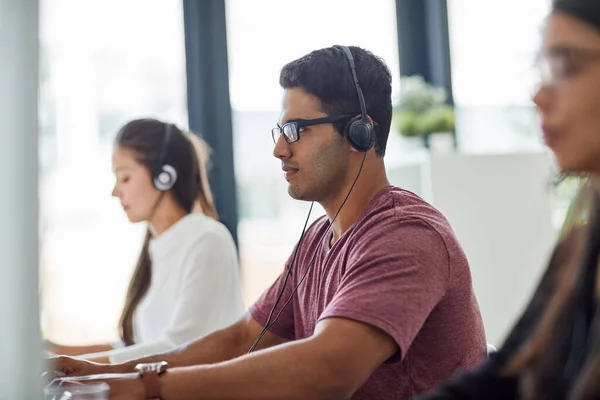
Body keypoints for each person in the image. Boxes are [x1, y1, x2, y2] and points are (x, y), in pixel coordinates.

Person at [48, 46, 485, 400]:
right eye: (279, 132)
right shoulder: (318, 239)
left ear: (360, 133)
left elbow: (329, 369)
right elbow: (242, 338)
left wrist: (146, 387)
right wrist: (111, 373)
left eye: (296, 131)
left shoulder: (405, 235)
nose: (279, 150)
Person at [410, 1, 600, 399]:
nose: (539, 96)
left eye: (565, 68)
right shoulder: (579, 246)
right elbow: (505, 375)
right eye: (541, 69)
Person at [45, 118, 245, 364]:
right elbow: (141, 346)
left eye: (125, 177)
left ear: (165, 176)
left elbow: (180, 348)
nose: (115, 191)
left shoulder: (207, 240)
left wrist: (79, 367)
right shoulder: (160, 246)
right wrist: (57, 351)